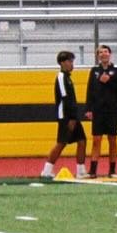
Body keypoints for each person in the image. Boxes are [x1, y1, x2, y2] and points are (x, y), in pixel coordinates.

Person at [40, 50, 87, 180]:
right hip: (66, 116)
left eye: (72, 61)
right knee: (61, 143)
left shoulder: (68, 78)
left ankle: (81, 171)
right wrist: (71, 118)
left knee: (82, 141)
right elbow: (65, 98)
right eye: (69, 61)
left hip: (72, 115)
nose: (72, 64)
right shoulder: (61, 77)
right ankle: (46, 170)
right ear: (62, 63)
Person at [85, 44, 117, 178]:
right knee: (96, 140)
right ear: (98, 56)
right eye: (100, 52)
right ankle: (93, 170)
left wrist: (109, 81)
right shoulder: (94, 71)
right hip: (98, 110)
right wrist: (88, 109)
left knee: (112, 139)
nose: (103, 54)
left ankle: (112, 170)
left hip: (112, 110)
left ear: (110, 54)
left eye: (106, 51)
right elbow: (90, 91)